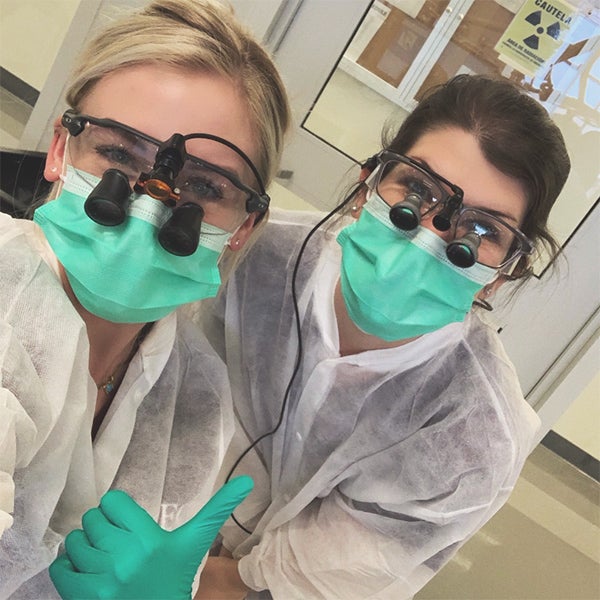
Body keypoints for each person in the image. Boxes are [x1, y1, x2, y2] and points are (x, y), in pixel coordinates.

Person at [197, 74, 571, 599]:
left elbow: (312, 580)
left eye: (481, 231)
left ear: (505, 271)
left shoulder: (474, 432)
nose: (427, 238)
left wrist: (191, 583)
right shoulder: (250, 257)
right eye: (417, 190)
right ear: (365, 183)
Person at [0, 0, 290, 597]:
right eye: (117, 154)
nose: (148, 204)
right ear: (61, 150)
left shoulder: (195, 396)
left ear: (242, 227)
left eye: (204, 187)